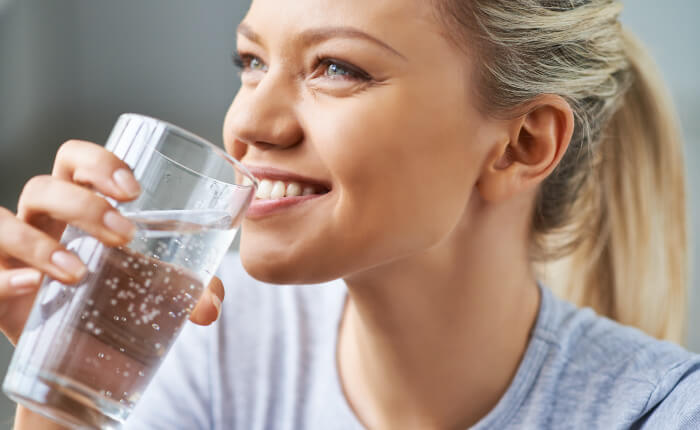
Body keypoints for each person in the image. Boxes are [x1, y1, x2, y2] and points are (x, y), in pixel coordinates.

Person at [2, 0, 697, 428]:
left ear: (521, 143)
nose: (248, 122)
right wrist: (68, 402)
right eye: (249, 60)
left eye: (337, 67)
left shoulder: (662, 413)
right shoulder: (207, 349)